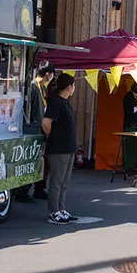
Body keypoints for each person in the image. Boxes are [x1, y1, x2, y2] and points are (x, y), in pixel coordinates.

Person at [42, 73, 79, 224]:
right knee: (56, 181)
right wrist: (51, 136)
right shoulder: (56, 102)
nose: (74, 88)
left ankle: (61, 208)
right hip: (58, 148)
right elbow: (46, 122)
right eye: (74, 85)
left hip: (69, 148)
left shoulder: (66, 102)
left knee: (65, 181)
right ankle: (53, 211)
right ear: (69, 87)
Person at [18, 63, 54, 202]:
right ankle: (24, 190)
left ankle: (39, 188)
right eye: (51, 74)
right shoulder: (33, 87)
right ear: (48, 74)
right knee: (31, 161)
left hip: (41, 129)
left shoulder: (43, 88)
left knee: (41, 161)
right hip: (33, 128)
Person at [121, 81, 137, 175]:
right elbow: (130, 110)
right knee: (130, 145)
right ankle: (128, 166)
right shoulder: (128, 96)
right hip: (130, 124)